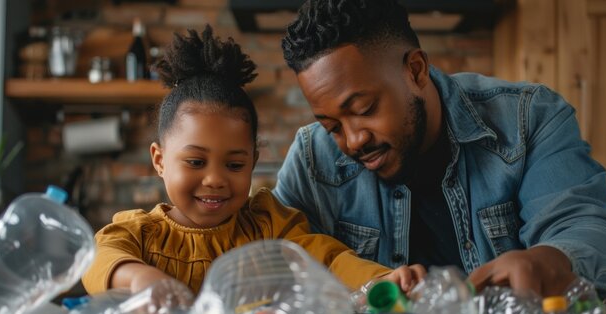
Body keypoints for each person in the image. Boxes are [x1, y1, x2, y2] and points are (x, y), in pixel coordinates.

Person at [273, 0, 606, 299]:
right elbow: (272, 260)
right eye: (332, 126)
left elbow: (586, 226)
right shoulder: (311, 159)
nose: (352, 141)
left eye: (364, 109)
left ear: (416, 70)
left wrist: (550, 259)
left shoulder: (528, 119)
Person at [81, 25, 424, 296]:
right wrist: (140, 278)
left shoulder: (269, 227)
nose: (215, 179)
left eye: (234, 165)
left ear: (253, 160)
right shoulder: (139, 234)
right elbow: (97, 261)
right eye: (196, 162)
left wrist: (380, 279)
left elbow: (329, 259)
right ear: (159, 160)